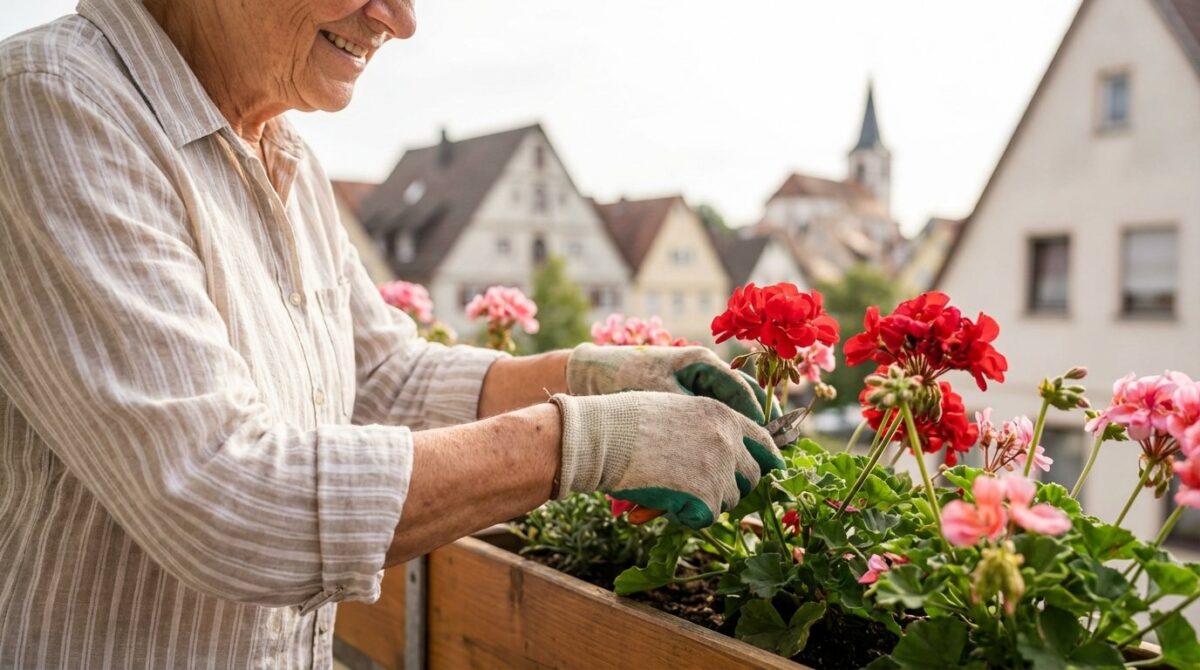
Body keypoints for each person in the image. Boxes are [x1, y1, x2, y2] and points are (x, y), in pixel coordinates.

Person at [0, 0, 781, 667]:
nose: (400, 20)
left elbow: (381, 380)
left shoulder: (282, 153)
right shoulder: (53, 106)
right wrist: (586, 444)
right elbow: (219, 495)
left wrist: (593, 377)